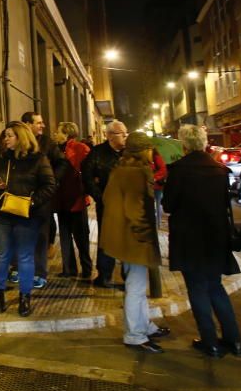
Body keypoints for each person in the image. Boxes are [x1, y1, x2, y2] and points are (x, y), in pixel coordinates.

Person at [162, 124, 241, 358]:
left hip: (189, 238)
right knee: (215, 286)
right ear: (204, 142)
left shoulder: (179, 170)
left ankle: (210, 342)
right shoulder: (218, 169)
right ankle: (234, 339)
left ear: (184, 144)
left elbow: (169, 204)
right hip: (216, 237)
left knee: (197, 287)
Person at [100, 131, 168, 353]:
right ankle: (135, 334)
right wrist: (144, 236)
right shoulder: (135, 173)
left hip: (125, 236)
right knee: (136, 287)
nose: (153, 152)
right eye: (150, 148)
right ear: (143, 150)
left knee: (136, 284)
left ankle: (144, 326)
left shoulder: (122, 169)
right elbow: (135, 210)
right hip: (134, 238)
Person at [0, 121, 56, 316]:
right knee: (1, 256)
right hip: (2, 214)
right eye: (5, 135)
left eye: (9, 135)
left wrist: (32, 202)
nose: (5, 139)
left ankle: (25, 298)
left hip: (27, 216)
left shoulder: (38, 159)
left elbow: (49, 185)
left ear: (21, 137)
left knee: (25, 257)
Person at [20, 112, 68, 290]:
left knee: (41, 236)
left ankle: (40, 273)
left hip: (41, 198)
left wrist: (52, 180)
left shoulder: (47, 143)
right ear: (27, 124)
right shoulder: (17, 139)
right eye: (39, 123)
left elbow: (63, 163)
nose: (43, 126)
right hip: (21, 196)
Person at [82, 120, 128, 287]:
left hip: (127, 204)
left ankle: (127, 276)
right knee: (106, 239)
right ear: (109, 136)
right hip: (107, 204)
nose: (125, 136)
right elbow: (87, 176)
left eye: (125, 133)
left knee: (126, 240)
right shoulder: (97, 153)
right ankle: (104, 275)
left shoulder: (129, 153)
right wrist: (99, 196)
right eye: (121, 133)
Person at [52, 122, 92, 279]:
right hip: (61, 200)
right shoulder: (56, 150)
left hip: (76, 199)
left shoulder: (80, 148)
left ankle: (86, 269)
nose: (54, 134)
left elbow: (86, 170)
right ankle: (68, 269)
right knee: (65, 236)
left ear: (66, 134)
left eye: (57, 132)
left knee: (81, 237)